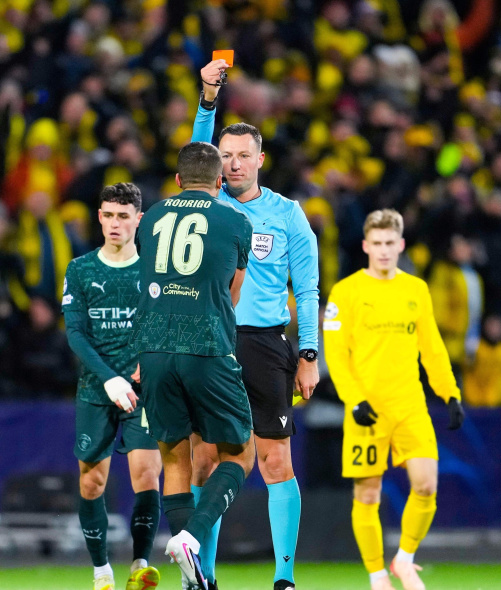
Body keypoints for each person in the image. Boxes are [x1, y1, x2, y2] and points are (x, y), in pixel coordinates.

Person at [191, 58, 321, 590]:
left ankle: (283, 578)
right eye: (226, 156)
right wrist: (207, 99)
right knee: (205, 461)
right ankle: (204, 576)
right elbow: (194, 155)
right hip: (210, 341)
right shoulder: (206, 204)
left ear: (261, 159)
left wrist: (309, 354)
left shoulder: (288, 214)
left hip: (265, 345)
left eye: (244, 155)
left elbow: (307, 290)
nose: (234, 164)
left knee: (275, 460)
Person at [132, 142, 254, 590]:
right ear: (220, 181)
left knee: (174, 459)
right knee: (240, 454)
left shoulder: (151, 217)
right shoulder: (236, 221)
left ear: (178, 180)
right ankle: (191, 538)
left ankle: (194, 579)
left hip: (153, 349)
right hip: (206, 346)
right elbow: (232, 292)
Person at [323, 209, 465, 590]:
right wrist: (354, 399)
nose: (384, 250)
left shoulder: (416, 290)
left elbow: (432, 348)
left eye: (390, 243)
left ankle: (404, 559)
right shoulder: (346, 292)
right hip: (367, 408)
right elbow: (336, 355)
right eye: (378, 243)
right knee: (367, 493)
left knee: (427, 485)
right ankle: (377, 575)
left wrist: (450, 393)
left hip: (409, 405)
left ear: (401, 245)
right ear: (366, 246)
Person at [62, 183, 162, 590]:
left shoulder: (154, 270)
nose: (114, 223)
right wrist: (110, 378)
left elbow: (164, 324)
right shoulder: (81, 270)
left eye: (123, 216)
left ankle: (140, 565)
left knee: (147, 475)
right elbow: (76, 334)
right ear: (99, 217)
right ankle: (101, 571)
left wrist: (146, 364)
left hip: (143, 390)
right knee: (92, 482)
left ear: (139, 219)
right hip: (96, 389)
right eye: (108, 215)